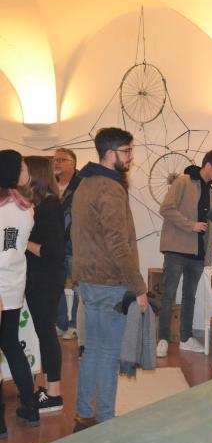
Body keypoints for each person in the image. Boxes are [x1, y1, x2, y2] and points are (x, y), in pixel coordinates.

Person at [71, 127, 147, 427]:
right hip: (109, 283)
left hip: (89, 281)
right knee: (108, 353)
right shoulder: (110, 188)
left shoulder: (84, 183)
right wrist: (138, 287)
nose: (130, 157)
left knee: (92, 349)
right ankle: (104, 420)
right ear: (109, 153)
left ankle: (83, 413)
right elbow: (119, 245)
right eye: (126, 151)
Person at [157, 150, 212, 358]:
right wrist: (191, 225)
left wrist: (209, 255)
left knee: (190, 296)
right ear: (207, 165)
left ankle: (186, 338)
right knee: (169, 294)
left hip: (198, 253)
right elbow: (166, 209)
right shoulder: (183, 181)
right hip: (176, 248)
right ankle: (162, 339)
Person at [0, 150, 39, 431]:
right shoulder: (25, 209)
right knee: (11, 345)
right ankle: (30, 405)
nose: (26, 171)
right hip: (13, 288)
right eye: (23, 166)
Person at [24, 156, 66, 413]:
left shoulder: (50, 206)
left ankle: (54, 394)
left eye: (24, 170)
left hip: (46, 278)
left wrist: (22, 241)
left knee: (46, 333)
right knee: (43, 333)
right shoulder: (41, 204)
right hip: (39, 277)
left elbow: (52, 251)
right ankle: (50, 390)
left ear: (35, 175)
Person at [53, 147, 81, 341]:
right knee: (57, 284)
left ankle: (75, 325)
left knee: (77, 284)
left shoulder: (81, 184)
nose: (56, 163)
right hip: (54, 244)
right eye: (55, 160)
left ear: (73, 163)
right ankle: (60, 323)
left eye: (61, 160)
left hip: (74, 243)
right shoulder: (50, 185)